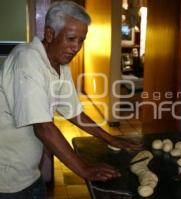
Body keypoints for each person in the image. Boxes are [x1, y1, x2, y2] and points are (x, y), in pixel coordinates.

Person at [0, 1, 141, 198]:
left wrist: (110, 138)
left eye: (81, 40)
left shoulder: (59, 64)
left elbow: (74, 112)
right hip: (6, 178)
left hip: (29, 172)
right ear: (50, 34)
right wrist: (84, 169)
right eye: (71, 38)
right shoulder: (27, 60)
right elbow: (43, 127)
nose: (76, 47)